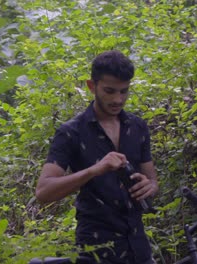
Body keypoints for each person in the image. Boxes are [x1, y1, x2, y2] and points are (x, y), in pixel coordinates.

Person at [35, 50, 159, 264]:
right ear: (92, 86)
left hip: (138, 245)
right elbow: (44, 192)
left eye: (124, 91)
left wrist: (150, 186)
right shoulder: (71, 132)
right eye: (109, 91)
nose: (118, 99)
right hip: (96, 249)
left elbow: (153, 180)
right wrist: (95, 170)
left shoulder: (138, 127)